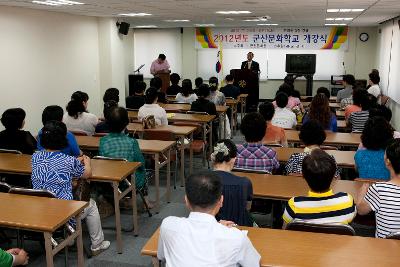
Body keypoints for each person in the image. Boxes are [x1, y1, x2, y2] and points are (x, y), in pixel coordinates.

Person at [32, 120, 110, 255]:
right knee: (91, 205)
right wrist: (87, 162)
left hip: (41, 209)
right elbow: (87, 174)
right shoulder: (68, 160)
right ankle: (97, 244)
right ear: (63, 139)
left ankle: (69, 237)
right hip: (64, 212)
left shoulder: (35, 157)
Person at [157, 171, 261, 266]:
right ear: (221, 201)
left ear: (186, 200)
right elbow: (254, 264)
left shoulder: (168, 225)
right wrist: (223, 229)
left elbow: (161, 256)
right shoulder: (237, 237)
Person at [282, 149, 356, 227]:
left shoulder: (294, 205)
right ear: (334, 175)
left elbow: (285, 229)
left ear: (303, 176)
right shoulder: (347, 201)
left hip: (304, 239)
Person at [99, 107, 150, 207]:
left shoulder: (103, 141)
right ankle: (146, 203)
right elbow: (141, 163)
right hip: (128, 183)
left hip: (110, 181)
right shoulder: (132, 142)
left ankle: (118, 199)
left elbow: (102, 161)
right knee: (144, 170)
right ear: (126, 123)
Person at [356, 139, 400, 238]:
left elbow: (361, 211)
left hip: (384, 248)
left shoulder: (379, 189)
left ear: (388, 162)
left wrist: (361, 193)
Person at [212, 139, 253, 226]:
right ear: (234, 159)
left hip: (211, 228)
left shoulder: (201, 181)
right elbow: (248, 207)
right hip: (240, 228)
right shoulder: (245, 183)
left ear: (213, 157)